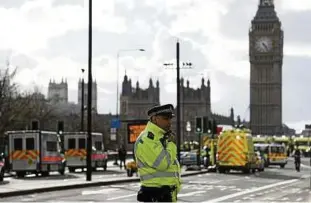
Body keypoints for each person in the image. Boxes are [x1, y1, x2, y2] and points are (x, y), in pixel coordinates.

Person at [134, 104, 181, 202]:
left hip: (166, 194)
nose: (169, 122)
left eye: (170, 118)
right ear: (154, 119)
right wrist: (172, 144)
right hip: (155, 195)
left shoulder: (162, 137)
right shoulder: (147, 139)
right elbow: (162, 163)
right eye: (166, 118)